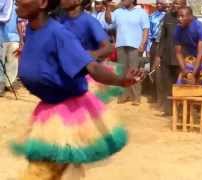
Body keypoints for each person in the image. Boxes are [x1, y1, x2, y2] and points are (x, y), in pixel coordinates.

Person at [12, 0, 143, 179]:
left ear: (42, 3)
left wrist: (120, 80)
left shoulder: (60, 33)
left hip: (64, 113)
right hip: (47, 106)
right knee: (60, 170)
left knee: (40, 171)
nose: (17, 1)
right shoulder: (32, 28)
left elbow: (94, 68)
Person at [106, 0, 150, 106]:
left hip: (135, 46)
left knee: (134, 71)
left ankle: (136, 97)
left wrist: (142, 43)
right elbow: (108, 21)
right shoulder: (118, 12)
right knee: (122, 71)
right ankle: (124, 95)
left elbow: (146, 29)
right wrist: (107, 7)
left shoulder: (141, 12)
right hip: (121, 45)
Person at [158, 0, 186, 115]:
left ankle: (180, 111)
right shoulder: (167, 17)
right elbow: (163, 38)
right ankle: (168, 110)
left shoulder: (189, 18)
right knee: (167, 85)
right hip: (167, 57)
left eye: (177, 3)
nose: (174, 6)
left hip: (181, 60)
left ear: (184, 5)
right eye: (174, 3)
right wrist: (158, 56)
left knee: (180, 87)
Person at [146, 0, 166, 105]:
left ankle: (162, 96)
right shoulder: (152, 16)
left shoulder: (168, 16)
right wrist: (148, 48)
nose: (159, 5)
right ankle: (154, 95)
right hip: (154, 44)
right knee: (153, 70)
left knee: (162, 71)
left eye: (161, 3)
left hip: (165, 46)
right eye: (157, 3)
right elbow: (149, 33)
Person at [0, 0, 20, 96]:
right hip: (1, 36)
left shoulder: (17, 4)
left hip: (14, 37)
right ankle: (1, 84)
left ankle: (10, 83)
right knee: (1, 62)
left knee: (13, 62)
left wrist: (21, 40)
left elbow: (19, 23)